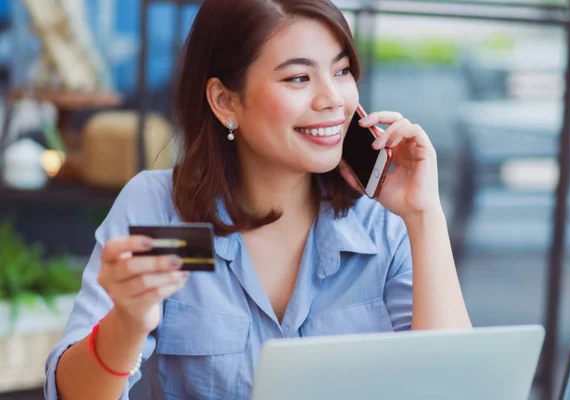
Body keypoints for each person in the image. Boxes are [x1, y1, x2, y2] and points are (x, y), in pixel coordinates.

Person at [45, 0, 471, 399]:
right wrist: (128, 321)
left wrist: (424, 215)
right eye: (298, 78)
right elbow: (72, 393)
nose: (334, 100)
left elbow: (458, 388)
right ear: (225, 100)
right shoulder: (162, 210)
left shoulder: (383, 220)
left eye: (341, 72)